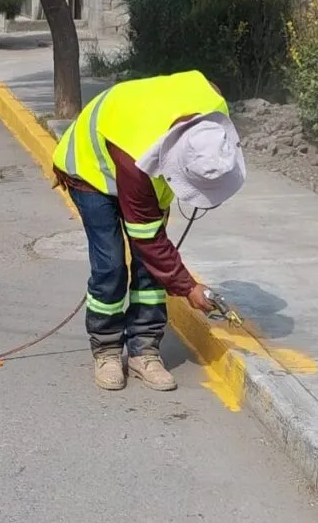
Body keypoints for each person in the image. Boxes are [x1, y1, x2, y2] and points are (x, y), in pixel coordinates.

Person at [52, 70, 247, 392]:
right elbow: (146, 238)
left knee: (148, 271)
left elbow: (207, 85)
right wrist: (187, 287)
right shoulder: (136, 157)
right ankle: (107, 349)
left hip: (139, 164)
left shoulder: (213, 121)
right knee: (110, 265)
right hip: (89, 171)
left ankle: (144, 350)